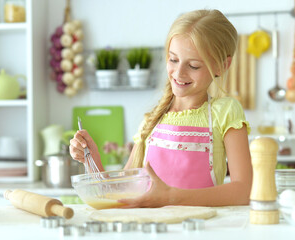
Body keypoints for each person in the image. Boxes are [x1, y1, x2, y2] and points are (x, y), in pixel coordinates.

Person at [69, 9, 252, 208]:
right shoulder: (153, 120)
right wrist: (91, 156)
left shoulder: (225, 111)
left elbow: (243, 191)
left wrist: (171, 197)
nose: (179, 73)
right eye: (173, 60)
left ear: (222, 66)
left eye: (194, 65)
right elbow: (119, 194)